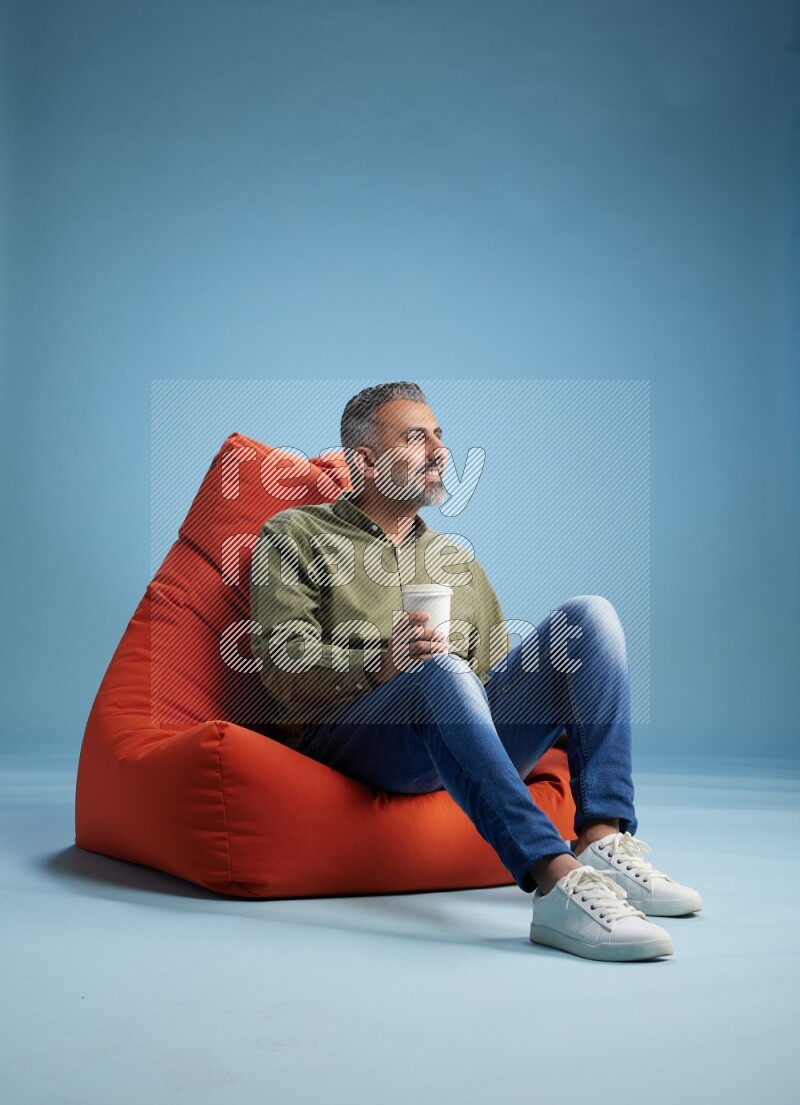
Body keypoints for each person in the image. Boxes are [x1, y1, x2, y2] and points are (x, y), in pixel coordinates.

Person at [249, 381, 701, 962]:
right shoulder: (295, 534)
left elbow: (489, 685)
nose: (440, 451)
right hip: (352, 741)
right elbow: (279, 668)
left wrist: (572, 711)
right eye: (416, 438)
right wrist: (380, 664)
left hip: (454, 741)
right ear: (363, 459)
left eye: (440, 436)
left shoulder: (455, 558)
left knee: (590, 617)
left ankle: (602, 839)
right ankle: (557, 882)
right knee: (440, 672)